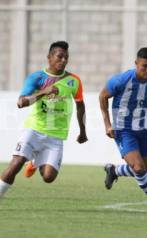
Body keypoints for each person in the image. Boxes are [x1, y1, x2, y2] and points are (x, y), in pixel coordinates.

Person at [0, 41, 88, 198]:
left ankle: (34, 162)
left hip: (56, 135)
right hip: (34, 130)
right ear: (49, 57)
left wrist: (83, 131)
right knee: (16, 163)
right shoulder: (37, 78)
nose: (63, 60)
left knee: (48, 177)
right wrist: (43, 92)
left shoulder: (74, 81)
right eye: (60, 56)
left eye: (66, 57)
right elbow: (21, 103)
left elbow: (80, 105)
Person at [99, 47, 147, 215]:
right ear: (136, 64)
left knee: (146, 173)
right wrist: (107, 124)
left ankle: (114, 171)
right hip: (123, 129)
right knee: (139, 169)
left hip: (144, 129)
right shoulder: (121, 80)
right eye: (145, 66)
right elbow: (103, 96)